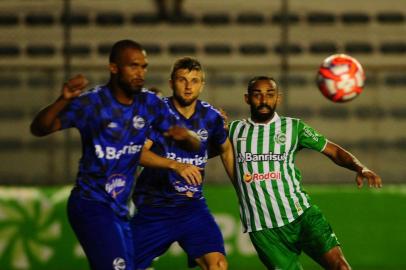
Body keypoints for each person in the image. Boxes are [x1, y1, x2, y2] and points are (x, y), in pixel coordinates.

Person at [30, 40, 203, 270]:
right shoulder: (93, 103)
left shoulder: (149, 103)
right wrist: (63, 100)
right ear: (114, 68)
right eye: (133, 66)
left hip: (120, 208)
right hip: (91, 204)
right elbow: (40, 128)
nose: (140, 73)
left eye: (144, 66)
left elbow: (192, 144)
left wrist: (187, 137)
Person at [227, 76, 382, 270]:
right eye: (257, 95)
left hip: (302, 216)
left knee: (341, 267)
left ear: (278, 98)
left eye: (270, 94)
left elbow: (333, 150)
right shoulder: (233, 131)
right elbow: (201, 152)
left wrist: (360, 167)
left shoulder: (294, 127)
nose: (264, 100)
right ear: (247, 98)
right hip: (263, 229)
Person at [131, 57, 234, 270]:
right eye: (182, 80)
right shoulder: (157, 113)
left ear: (202, 85)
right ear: (171, 83)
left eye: (195, 80)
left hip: (192, 208)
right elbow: (136, 154)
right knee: (123, 265)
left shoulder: (211, 117)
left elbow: (225, 149)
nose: (188, 86)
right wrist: (175, 165)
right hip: (155, 207)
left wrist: (242, 188)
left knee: (218, 265)